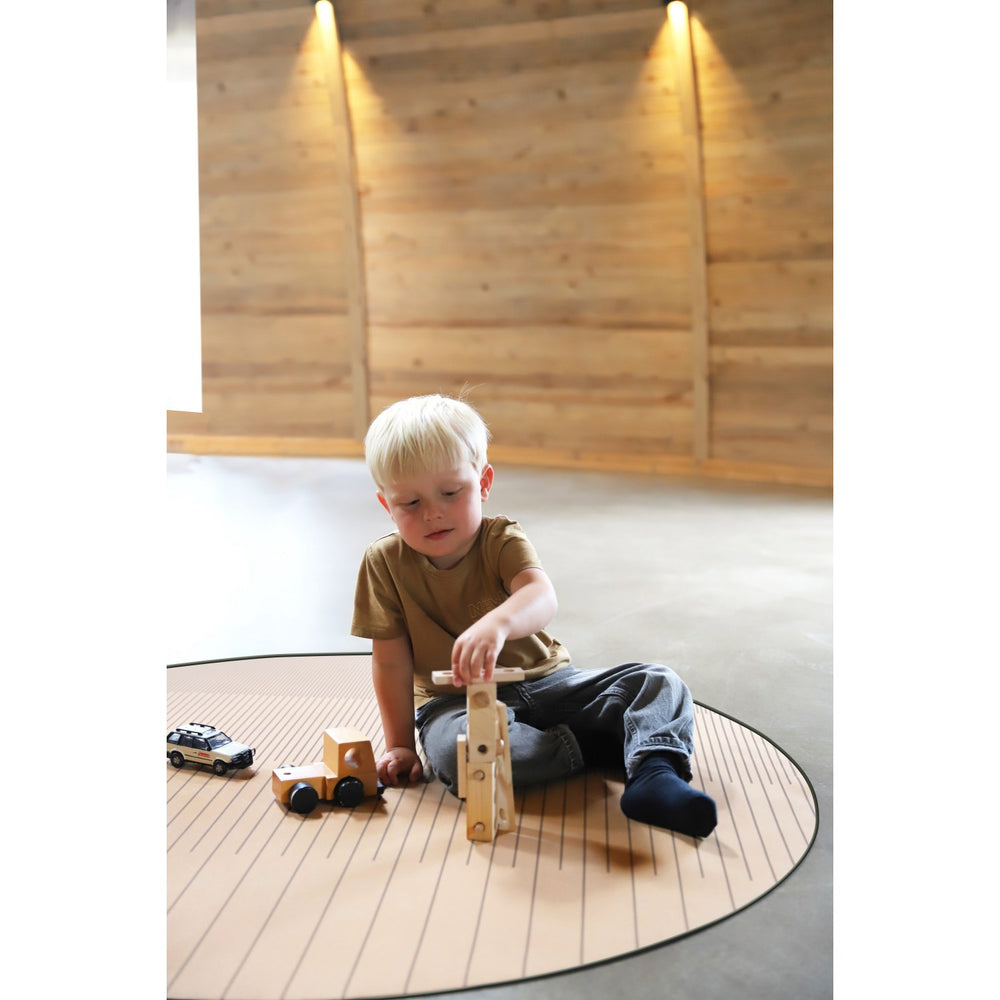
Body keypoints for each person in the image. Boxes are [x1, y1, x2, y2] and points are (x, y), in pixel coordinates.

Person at [351, 394, 717, 838]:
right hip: (453, 704)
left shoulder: (500, 538)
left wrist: (498, 623)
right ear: (386, 505)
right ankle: (596, 745)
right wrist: (400, 746)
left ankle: (654, 774)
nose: (432, 513)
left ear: (483, 483)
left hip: (546, 683)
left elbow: (540, 596)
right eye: (410, 502)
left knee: (657, 681)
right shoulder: (383, 563)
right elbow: (390, 662)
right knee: (462, 753)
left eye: (450, 493)